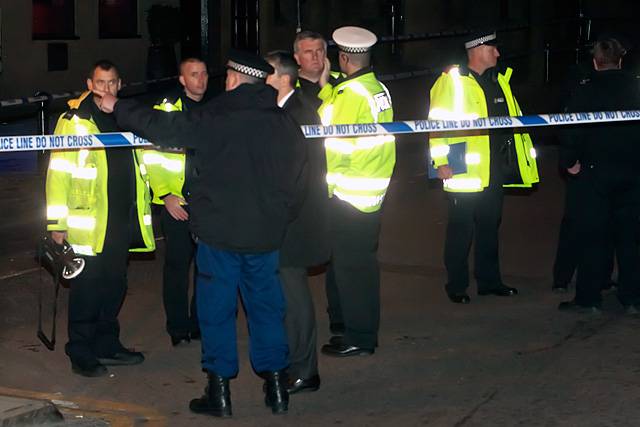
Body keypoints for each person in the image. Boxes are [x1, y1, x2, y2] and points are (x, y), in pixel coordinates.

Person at [95, 49, 307, 417]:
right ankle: (276, 389)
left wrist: (118, 106)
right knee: (267, 310)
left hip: (218, 237)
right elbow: (300, 180)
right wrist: (278, 217)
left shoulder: (214, 117)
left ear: (233, 79)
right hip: (264, 236)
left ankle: (219, 394)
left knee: (216, 313)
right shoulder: (284, 123)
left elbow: (164, 128)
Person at [45, 60, 155, 377]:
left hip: (121, 218)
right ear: (90, 84)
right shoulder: (74, 121)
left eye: (112, 83)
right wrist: (57, 224)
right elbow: (58, 174)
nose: (106, 88)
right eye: (100, 82)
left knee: (115, 285)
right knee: (87, 289)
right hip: (87, 223)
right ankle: (80, 352)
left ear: (120, 84)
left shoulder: (126, 115)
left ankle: (108, 345)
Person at [428, 30, 539, 304]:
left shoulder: (499, 81)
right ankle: (456, 285)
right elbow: (435, 124)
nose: (498, 54)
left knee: (490, 227)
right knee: (461, 230)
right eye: (493, 49)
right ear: (477, 50)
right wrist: (439, 162)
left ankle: (490, 281)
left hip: (493, 170)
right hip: (462, 171)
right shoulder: (451, 82)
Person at [317, 26, 396, 357]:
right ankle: (358, 330)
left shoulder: (349, 96)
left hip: (349, 192)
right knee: (361, 266)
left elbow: (331, 134)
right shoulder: (376, 89)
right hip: (371, 190)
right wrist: (327, 86)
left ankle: (359, 338)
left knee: (352, 272)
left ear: (344, 57)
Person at [558, 36, 640, 314]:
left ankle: (589, 299)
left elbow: (572, 130)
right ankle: (632, 299)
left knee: (593, 238)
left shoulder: (585, 91)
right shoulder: (637, 88)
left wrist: (569, 162)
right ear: (621, 60)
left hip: (595, 175)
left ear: (595, 62)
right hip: (633, 173)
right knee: (631, 240)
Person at [265, 50, 329, 393]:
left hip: (295, 220)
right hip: (290, 216)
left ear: (282, 78)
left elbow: (297, 174)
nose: (262, 81)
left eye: (267, 75)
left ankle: (305, 370)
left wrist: (275, 214)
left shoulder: (297, 113)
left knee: (294, 297)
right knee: (286, 296)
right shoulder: (287, 110)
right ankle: (296, 362)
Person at [144, 58, 209, 346]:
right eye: (194, 75)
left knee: (207, 268)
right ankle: (178, 327)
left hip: (206, 204)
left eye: (204, 73)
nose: (201, 79)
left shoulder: (213, 109)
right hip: (177, 203)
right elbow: (151, 157)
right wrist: (165, 196)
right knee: (177, 268)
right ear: (182, 80)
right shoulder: (167, 109)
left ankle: (199, 322)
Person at [293, 30, 345, 336]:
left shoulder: (339, 84)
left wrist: (327, 85)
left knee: (338, 253)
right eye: (308, 52)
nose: (316, 57)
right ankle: (297, 321)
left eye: (320, 51)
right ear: (297, 58)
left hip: (337, 179)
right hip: (305, 182)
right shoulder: (289, 87)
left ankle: (338, 316)